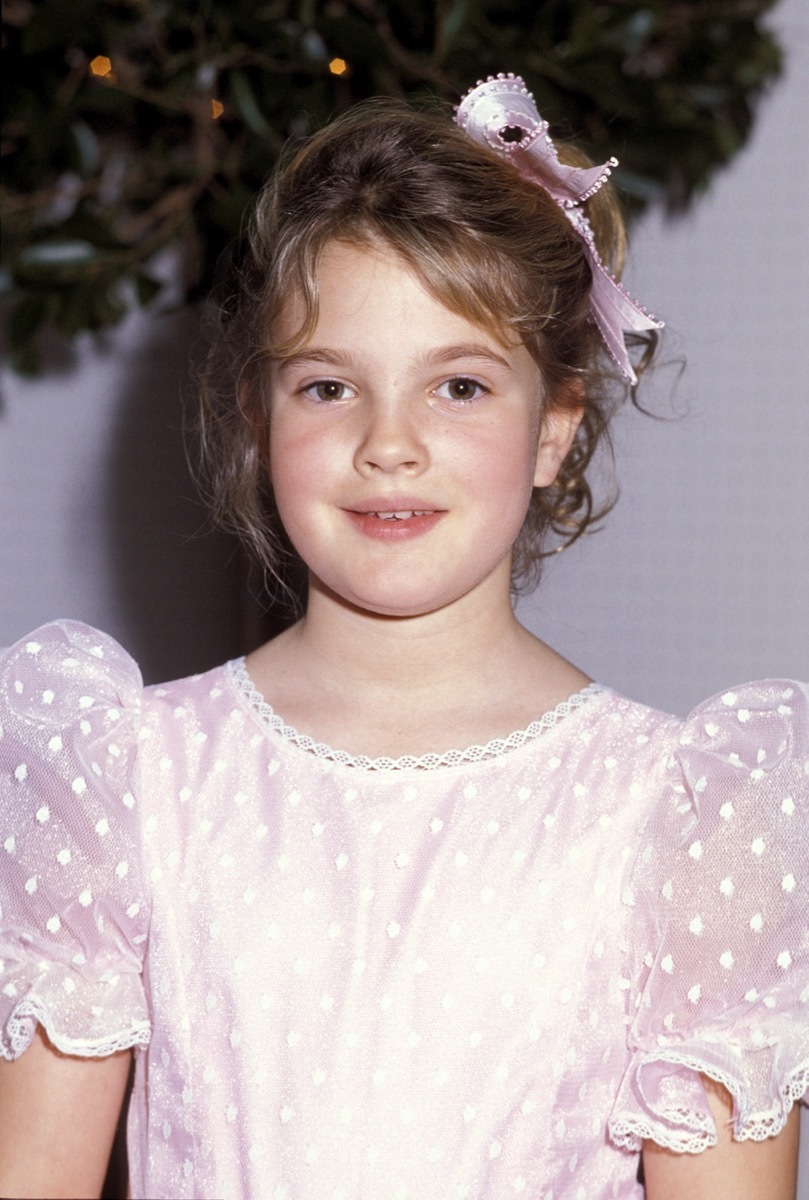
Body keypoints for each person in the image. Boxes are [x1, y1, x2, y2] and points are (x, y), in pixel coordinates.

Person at [0, 74, 805, 1200]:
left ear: (553, 427)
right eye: (330, 387)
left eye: (458, 386)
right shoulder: (127, 775)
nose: (389, 443)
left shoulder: (682, 818)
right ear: (257, 417)